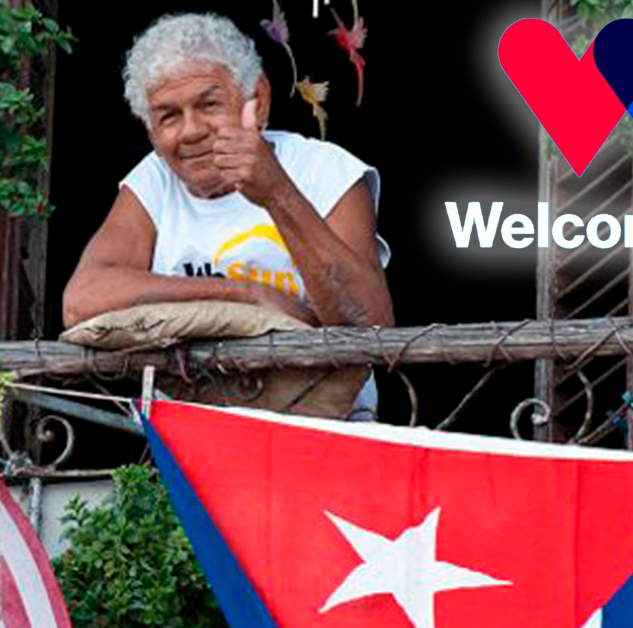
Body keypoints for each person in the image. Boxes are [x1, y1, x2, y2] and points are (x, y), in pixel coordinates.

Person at [62, 12, 393, 416]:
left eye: (209, 104)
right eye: (168, 116)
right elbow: (83, 300)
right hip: (189, 443)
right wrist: (246, 294)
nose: (191, 131)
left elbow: (371, 325)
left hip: (325, 429)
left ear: (259, 98)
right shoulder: (153, 180)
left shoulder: (325, 171)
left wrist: (276, 192)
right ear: (150, 131)